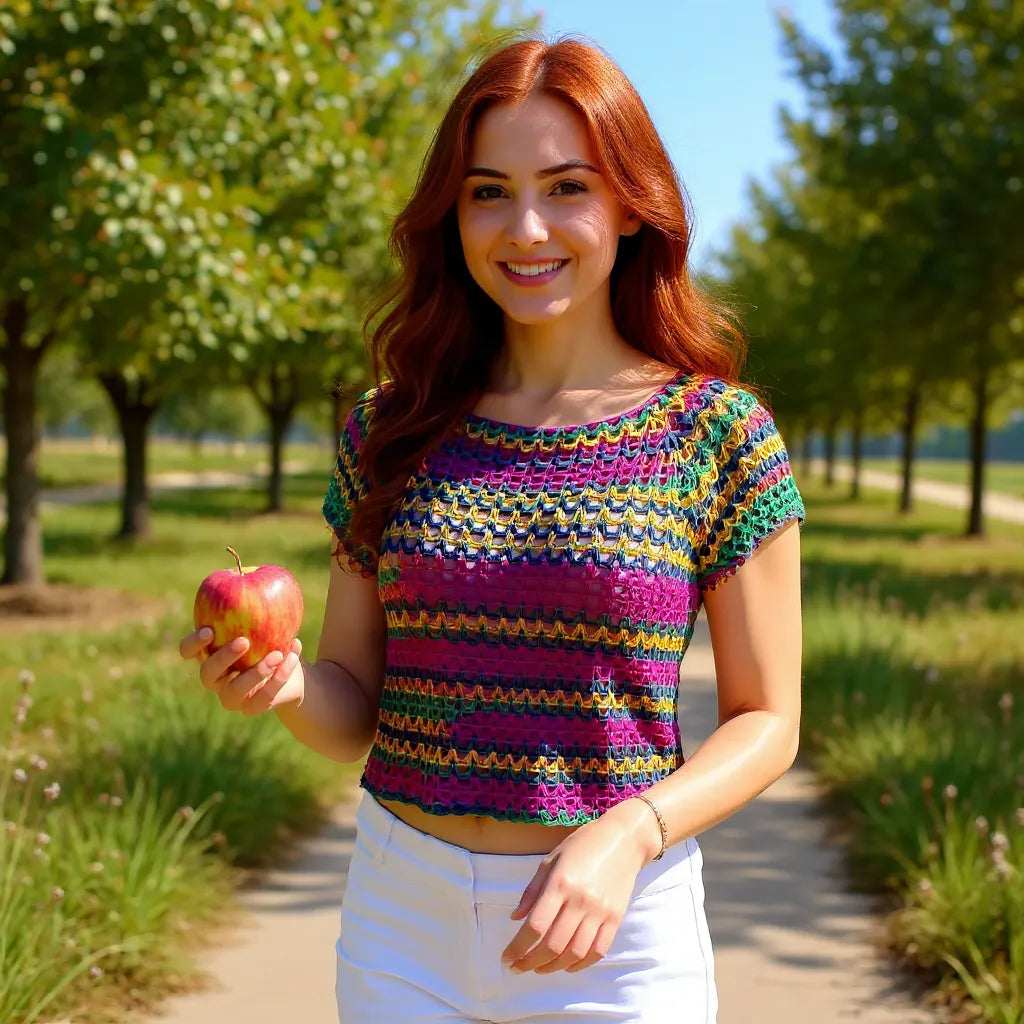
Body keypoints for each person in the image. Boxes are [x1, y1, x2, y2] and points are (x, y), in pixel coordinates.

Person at [179, 34, 805, 1024]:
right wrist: (287, 685)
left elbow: (767, 721)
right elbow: (351, 706)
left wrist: (632, 832)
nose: (524, 227)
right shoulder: (389, 427)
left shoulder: (715, 433)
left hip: (613, 928)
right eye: (486, 191)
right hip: (401, 923)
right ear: (452, 213)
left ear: (629, 205)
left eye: (566, 187)